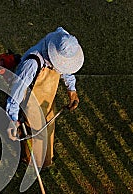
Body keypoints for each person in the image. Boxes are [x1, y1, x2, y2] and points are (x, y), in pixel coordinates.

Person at [6, 27, 84, 168]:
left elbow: (64, 68)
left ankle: (46, 158)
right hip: (30, 100)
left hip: (46, 99)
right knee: (33, 132)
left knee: (48, 128)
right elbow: (15, 94)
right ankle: (29, 159)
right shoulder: (31, 64)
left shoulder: (63, 41)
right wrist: (12, 119)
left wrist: (71, 90)